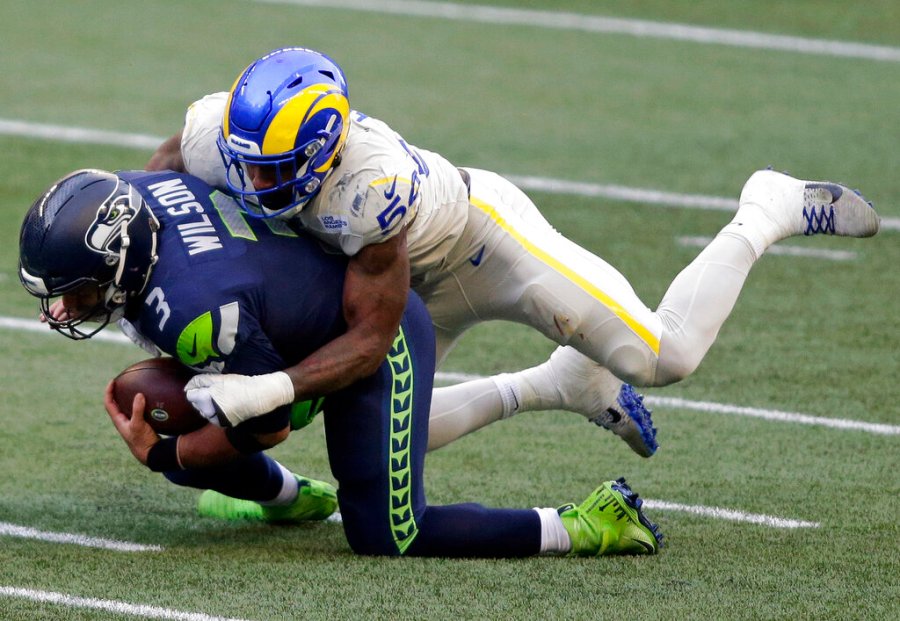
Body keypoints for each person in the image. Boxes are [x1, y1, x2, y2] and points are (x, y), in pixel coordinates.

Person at [148, 47, 880, 459]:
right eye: (247, 162)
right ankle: (556, 385)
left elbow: (372, 335)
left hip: (484, 242)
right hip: (401, 285)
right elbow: (161, 181)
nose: (254, 183)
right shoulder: (221, 134)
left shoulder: (372, 186)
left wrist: (268, 388)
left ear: (324, 148)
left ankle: (765, 209)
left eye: (275, 169)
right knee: (385, 450)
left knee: (665, 357)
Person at [18, 168, 663, 558]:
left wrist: (165, 458)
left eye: (75, 291)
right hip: (282, 323)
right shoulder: (139, 194)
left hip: (365, 342)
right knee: (179, 417)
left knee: (389, 535)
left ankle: (586, 525)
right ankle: (292, 499)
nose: (64, 310)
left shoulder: (195, 312)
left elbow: (266, 424)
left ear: (122, 258)